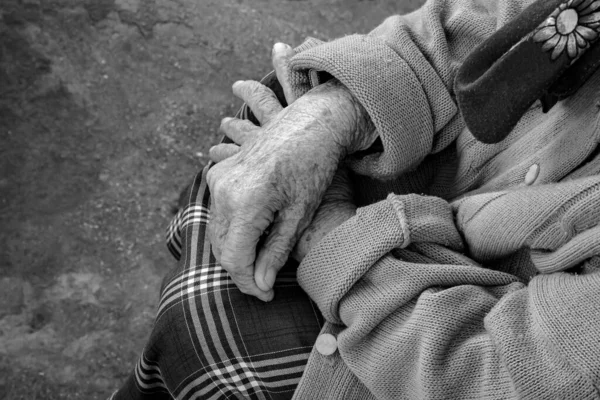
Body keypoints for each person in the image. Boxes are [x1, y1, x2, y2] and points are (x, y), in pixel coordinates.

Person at [112, 0, 600, 398]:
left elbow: (498, 375)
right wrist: (333, 113)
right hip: (427, 195)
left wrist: (329, 229)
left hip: (437, 335)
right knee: (271, 132)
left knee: (208, 339)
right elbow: (489, 22)